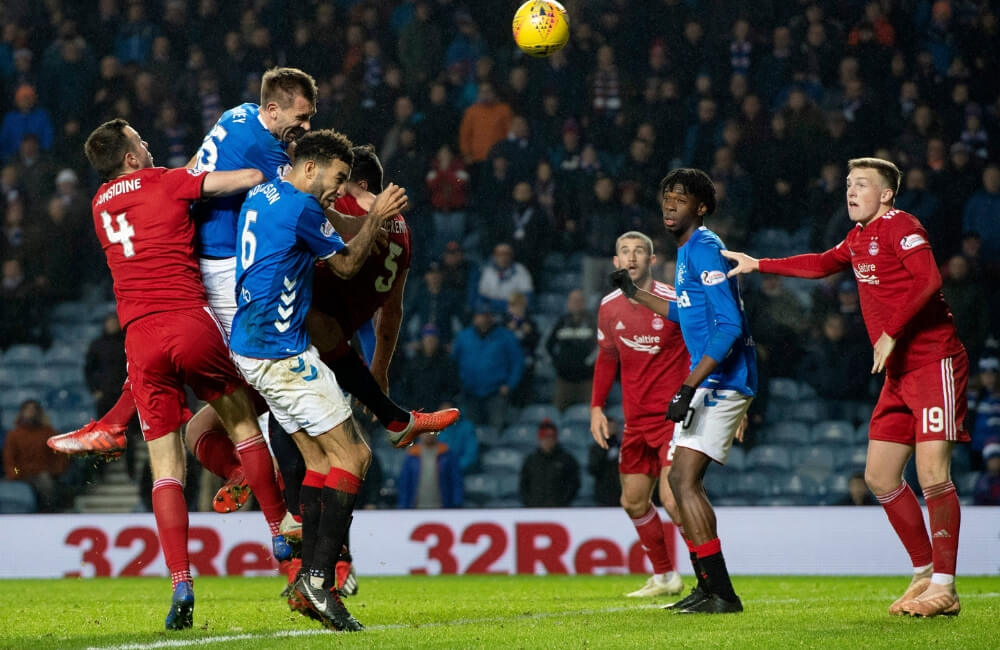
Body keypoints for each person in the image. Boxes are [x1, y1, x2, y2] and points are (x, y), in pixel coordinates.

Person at [723, 157, 968, 618]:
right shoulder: (859, 236)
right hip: (898, 374)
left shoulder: (901, 225)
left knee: (933, 474)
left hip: (934, 362)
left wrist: (892, 330)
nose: (851, 191)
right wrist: (760, 263)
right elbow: (820, 264)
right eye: (849, 184)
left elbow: (929, 279)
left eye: (862, 185)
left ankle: (946, 585)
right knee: (878, 476)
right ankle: (922, 572)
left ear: (887, 194)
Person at [81, 118, 290, 630]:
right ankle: (280, 531)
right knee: (242, 426)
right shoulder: (164, 180)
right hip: (188, 320)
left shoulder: (99, 206)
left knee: (165, 469)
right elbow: (236, 180)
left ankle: (180, 582)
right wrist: (275, 173)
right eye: (140, 141)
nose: (148, 145)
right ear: (131, 157)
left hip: (140, 340)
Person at [228, 129, 392, 631]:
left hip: (250, 346)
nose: (335, 190)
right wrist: (376, 219)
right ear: (310, 167)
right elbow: (345, 265)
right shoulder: (302, 207)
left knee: (320, 460)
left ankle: (310, 578)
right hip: (281, 352)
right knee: (356, 457)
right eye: (336, 178)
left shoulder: (264, 192)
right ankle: (320, 580)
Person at [611, 169, 756, 614]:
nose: (670, 205)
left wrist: (688, 386)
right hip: (707, 382)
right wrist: (636, 295)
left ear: (702, 207)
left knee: (684, 482)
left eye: (681, 199)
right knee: (679, 482)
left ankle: (722, 593)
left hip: (720, 381)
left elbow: (730, 325)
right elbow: (682, 312)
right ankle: (708, 586)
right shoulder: (688, 252)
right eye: (666, 198)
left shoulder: (705, 248)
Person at [592, 231, 689, 598]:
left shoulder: (674, 301)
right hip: (635, 421)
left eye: (638, 251)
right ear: (616, 262)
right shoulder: (608, 306)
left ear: (652, 260)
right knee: (633, 500)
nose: (631, 257)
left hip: (673, 419)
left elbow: (701, 351)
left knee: (675, 501)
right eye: (624, 252)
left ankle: (710, 580)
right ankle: (665, 577)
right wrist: (597, 407)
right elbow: (606, 358)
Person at [452, 302, 524, 431]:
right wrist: (458, 383)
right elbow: (453, 363)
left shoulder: (506, 336)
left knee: (496, 430)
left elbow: (518, 362)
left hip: (496, 393)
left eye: (487, 315)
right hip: (469, 393)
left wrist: (510, 384)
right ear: (475, 317)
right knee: (470, 430)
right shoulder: (463, 336)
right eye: (481, 315)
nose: (484, 318)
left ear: (492, 317)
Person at [2, 400, 69, 511]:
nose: (31, 413)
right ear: (22, 413)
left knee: (45, 483)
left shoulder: (49, 433)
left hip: (42, 474)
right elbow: (9, 461)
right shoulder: (13, 435)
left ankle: (48, 512)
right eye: (28, 410)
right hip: (21, 474)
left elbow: (60, 456)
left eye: (33, 410)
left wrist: (54, 471)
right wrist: (16, 473)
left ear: (39, 413)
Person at [546, 289, 598, 411]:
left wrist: (588, 363)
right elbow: (547, 346)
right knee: (557, 413)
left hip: (587, 379)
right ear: (568, 303)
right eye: (573, 301)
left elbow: (602, 346)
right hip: (564, 380)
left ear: (584, 303)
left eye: (579, 301)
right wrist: (557, 363)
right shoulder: (561, 322)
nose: (576, 304)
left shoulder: (593, 322)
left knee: (593, 415)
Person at [519, 419, 580, 507]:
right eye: (545, 438)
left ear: (556, 439)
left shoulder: (567, 459)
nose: (548, 441)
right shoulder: (531, 460)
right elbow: (523, 485)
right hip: (535, 508)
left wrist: (562, 502)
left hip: (559, 508)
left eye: (551, 438)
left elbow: (573, 484)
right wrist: (530, 503)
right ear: (539, 439)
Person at [396, 432, 464, 508]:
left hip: (443, 507)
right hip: (417, 508)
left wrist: (457, 504)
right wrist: (403, 506)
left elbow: (456, 481)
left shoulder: (447, 454)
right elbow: (405, 485)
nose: (428, 434)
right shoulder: (411, 456)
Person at [588, 415, 621, 507]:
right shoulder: (596, 448)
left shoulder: (623, 446)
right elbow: (593, 469)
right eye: (608, 427)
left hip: (621, 491)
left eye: (613, 427)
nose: (611, 430)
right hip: (603, 492)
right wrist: (606, 456)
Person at [972, 439, 1000, 505]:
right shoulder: (982, 481)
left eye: (997, 458)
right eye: (992, 459)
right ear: (986, 462)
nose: (995, 462)